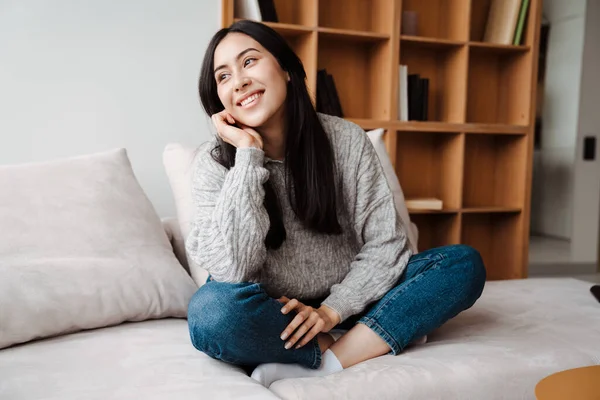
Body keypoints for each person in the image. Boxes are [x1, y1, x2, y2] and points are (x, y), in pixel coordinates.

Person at [185, 19, 486, 388]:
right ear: (219, 98)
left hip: (352, 297)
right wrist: (248, 156)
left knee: (461, 265)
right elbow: (232, 269)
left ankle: (334, 358)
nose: (239, 81)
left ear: (287, 70)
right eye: (223, 77)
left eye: (249, 62)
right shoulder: (213, 162)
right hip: (277, 314)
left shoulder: (345, 140)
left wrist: (331, 311)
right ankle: (372, 335)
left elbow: (387, 244)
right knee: (210, 314)